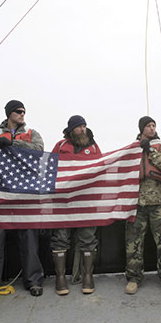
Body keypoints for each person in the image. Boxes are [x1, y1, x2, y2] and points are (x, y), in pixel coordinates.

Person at [0, 100, 45, 299]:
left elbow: (39, 151)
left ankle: (33, 280)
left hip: (25, 194)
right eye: (18, 111)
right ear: (9, 113)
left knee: (29, 240)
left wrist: (14, 143)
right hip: (0, 194)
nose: (22, 113)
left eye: (24, 111)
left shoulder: (33, 134)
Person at [124, 116, 161, 297]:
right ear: (141, 129)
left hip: (159, 202)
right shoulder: (132, 150)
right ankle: (133, 277)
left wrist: (151, 150)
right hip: (136, 203)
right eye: (148, 126)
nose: (152, 128)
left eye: (154, 125)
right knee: (133, 242)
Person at [50, 115, 102, 295]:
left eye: (85, 126)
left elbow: (101, 169)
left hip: (87, 200)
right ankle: (60, 277)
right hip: (64, 201)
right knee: (61, 237)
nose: (83, 129)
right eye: (80, 127)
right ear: (72, 129)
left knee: (88, 238)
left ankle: (88, 276)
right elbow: (50, 168)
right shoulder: (61, 146)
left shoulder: (94, 147)